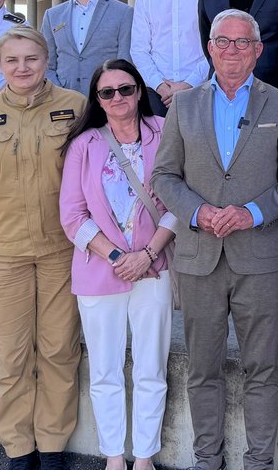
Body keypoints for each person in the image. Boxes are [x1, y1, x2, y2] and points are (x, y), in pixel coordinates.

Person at [152, 9, 278, 470]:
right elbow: (164, 175)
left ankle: (259, 462)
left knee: (263, 367)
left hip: (259, 257)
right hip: (199, 257)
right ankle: (208, 459)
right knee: (203, 368)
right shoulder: (183, 105)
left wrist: (250, 212)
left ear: (258, 50)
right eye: (223, 41)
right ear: (209, 48)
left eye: (242, 42)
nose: (232, 50)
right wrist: (199, 212)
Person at [0, 26, 85, 470]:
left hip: (61, 251)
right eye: (12, 60)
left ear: (46, 61)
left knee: (59, 351)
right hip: (2, 252)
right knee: (11, 355)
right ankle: (18, 449)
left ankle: (51, 445)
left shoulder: (76, 107)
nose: (22, 67)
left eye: (31, 58)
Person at [60, 59, 177, 470]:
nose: (117, 98)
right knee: (105, 369)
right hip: (99, 271)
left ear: (140, 90)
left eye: (125, 89)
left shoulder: (166, 131)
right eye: (107, 92)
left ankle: (143, 458)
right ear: (97, 99)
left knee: (151, 368)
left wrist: (147, 254)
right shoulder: (84, 144)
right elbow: (72, 215)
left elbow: (181, 199)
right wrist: (116, 257)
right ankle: (113, 457)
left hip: (154, 267)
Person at [43, 0, 134, 95]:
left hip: (107, 98)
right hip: (63, 101)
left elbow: (125, 63)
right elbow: (47, 64)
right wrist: (60, 95)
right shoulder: (52, 16)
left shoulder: (124, 13)